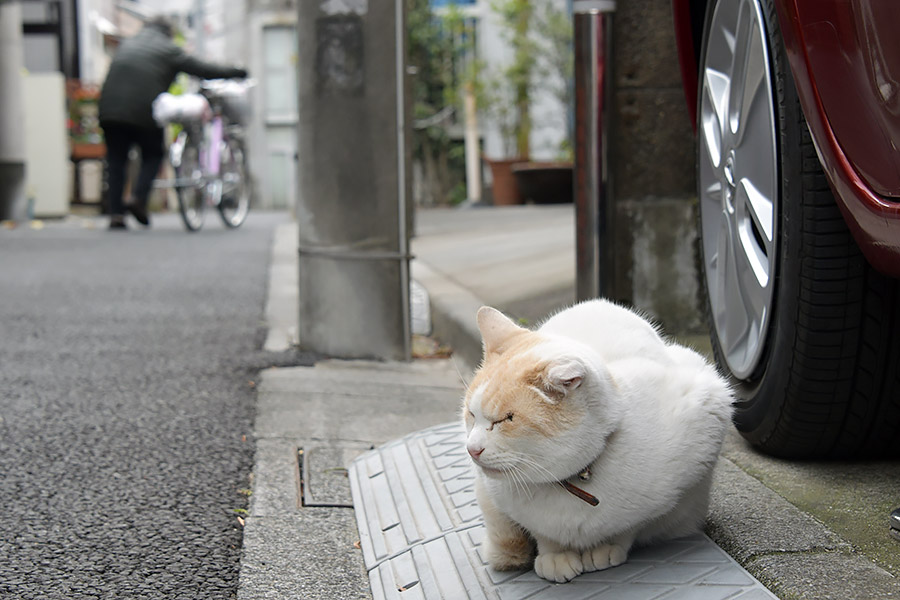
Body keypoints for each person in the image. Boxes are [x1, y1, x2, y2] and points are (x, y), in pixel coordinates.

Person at [98, 16, 248, 229]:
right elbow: (203, 69)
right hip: (144, 110)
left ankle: (116, 214)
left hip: (109, 109)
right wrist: (236, 72)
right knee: (153, 154)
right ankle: (138, 198)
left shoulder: (128, 44)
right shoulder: (168, 49)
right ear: (168, 33)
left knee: (116, 160)